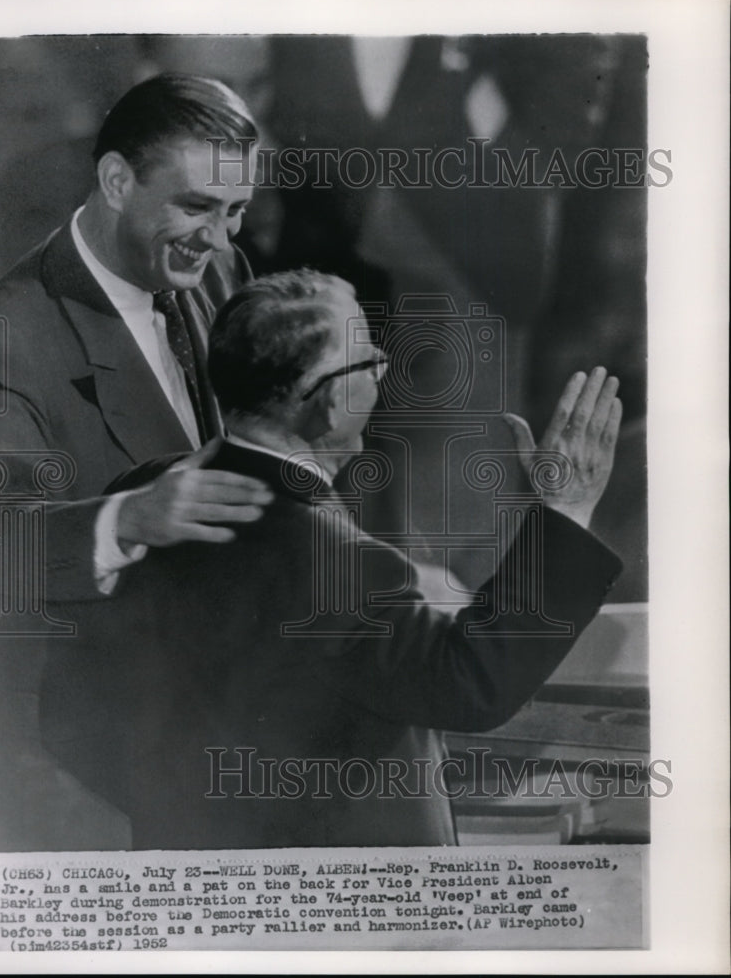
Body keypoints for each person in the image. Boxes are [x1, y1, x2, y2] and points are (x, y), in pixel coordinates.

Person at [40, 269, 624, 849]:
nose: (384, 374)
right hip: (338, 910)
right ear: (329, 405)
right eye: (371, 362)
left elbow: (68, 721)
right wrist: (566, 510)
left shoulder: (143, 496)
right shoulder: (334, 561)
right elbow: (472, 684)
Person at [0, 73, 272, 849]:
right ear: (116, 181)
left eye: (236, 210)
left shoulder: (219, 271)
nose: (220, 239)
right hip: (90, 760)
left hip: (230, 711)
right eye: (196, 206)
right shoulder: (5, 334)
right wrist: (128, 517)